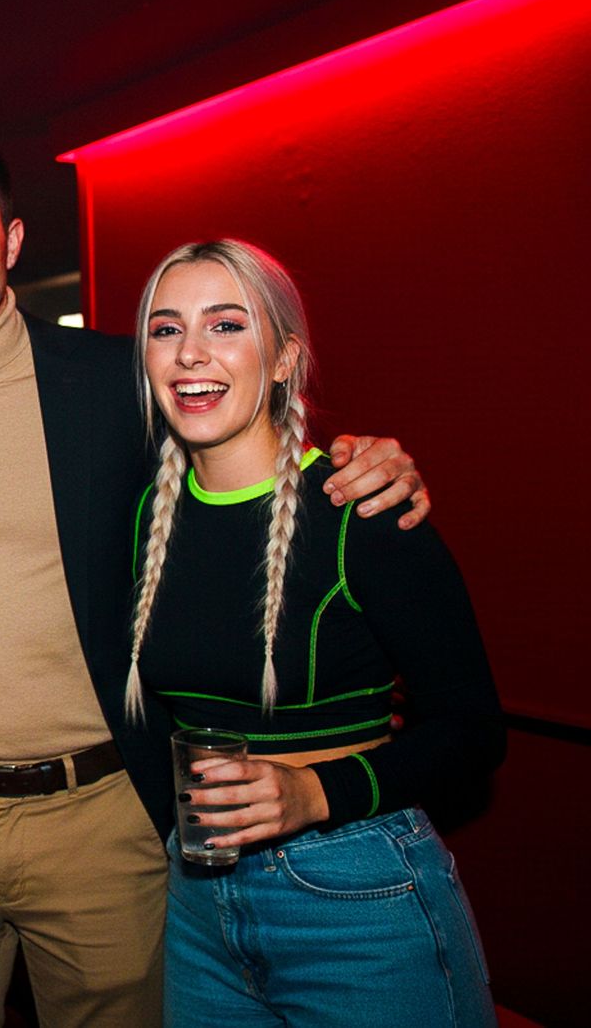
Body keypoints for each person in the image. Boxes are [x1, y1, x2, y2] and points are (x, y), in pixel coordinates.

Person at [0, 120, 429, 1028]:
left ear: (12, 239)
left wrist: (359, 459)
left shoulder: (120, 381)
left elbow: (241, 447)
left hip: (99, 815)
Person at [126, 240, 500, 1027]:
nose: (190, 351)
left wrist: (312, 793)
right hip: (198, 899)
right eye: (165, 329)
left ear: (286, 357)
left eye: (226, 324)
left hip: (357, 891)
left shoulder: (360, 509)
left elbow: (472, 729)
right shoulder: (145, 517)